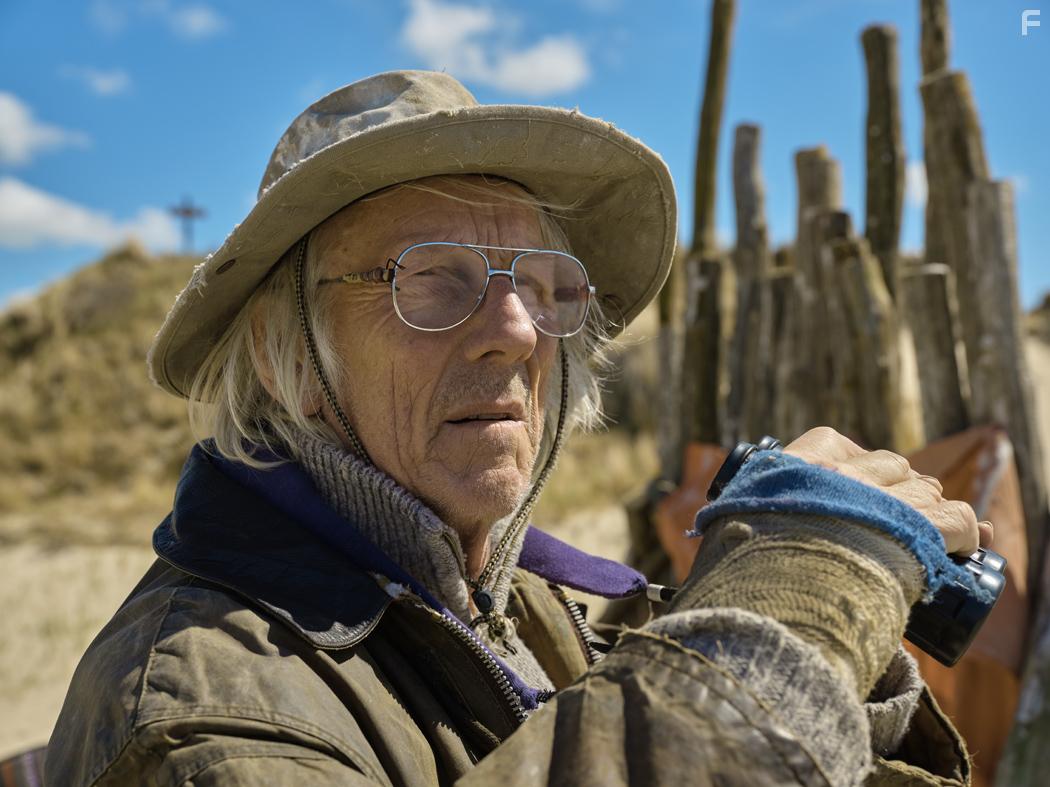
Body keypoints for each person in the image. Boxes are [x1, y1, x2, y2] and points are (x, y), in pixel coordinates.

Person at [46, 70, 990, 786]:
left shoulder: (522, 600)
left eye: (541, 286)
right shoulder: (196, 705)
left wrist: (841, 661)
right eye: (431, 278)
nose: (513, 330)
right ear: (283, 355)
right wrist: (802, 582)